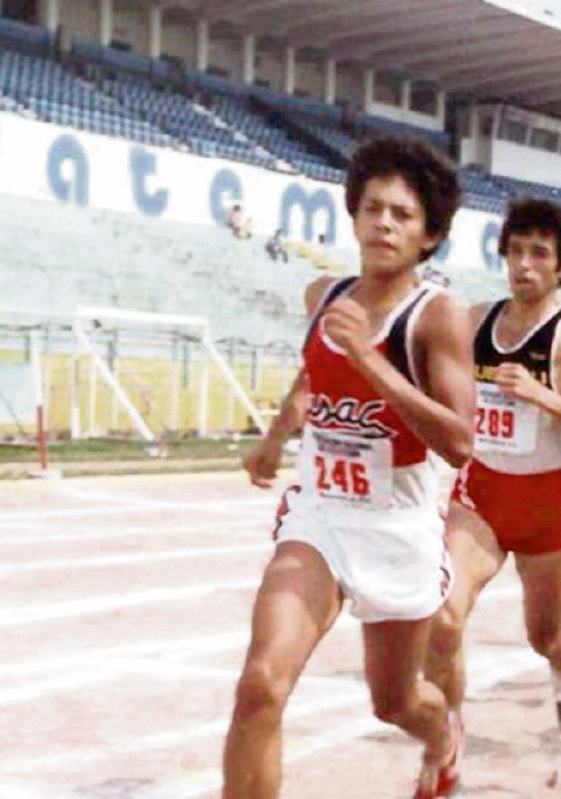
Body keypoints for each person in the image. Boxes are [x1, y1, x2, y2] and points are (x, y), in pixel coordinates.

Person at [224, 135, 473, 799]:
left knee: (393, 702)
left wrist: (371, 359)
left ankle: (443, 736)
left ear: (428, 235)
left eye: (402, 213)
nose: (384, 222)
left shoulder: (437, 316)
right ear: (354, 215)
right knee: (261, 685)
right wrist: (276, 436)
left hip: (399, 527)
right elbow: (316, 373)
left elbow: (459, 440)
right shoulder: (323, 294)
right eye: (372, 208)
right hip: (322, 517)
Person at [426, 199, 561, 751]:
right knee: (443, 616)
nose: (525, 265)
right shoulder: (477, 319)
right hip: (481, 496)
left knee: (544, 637)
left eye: (540, 254)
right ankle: (448, 741)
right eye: (515, 251)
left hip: (542, 508)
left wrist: (543, 395)